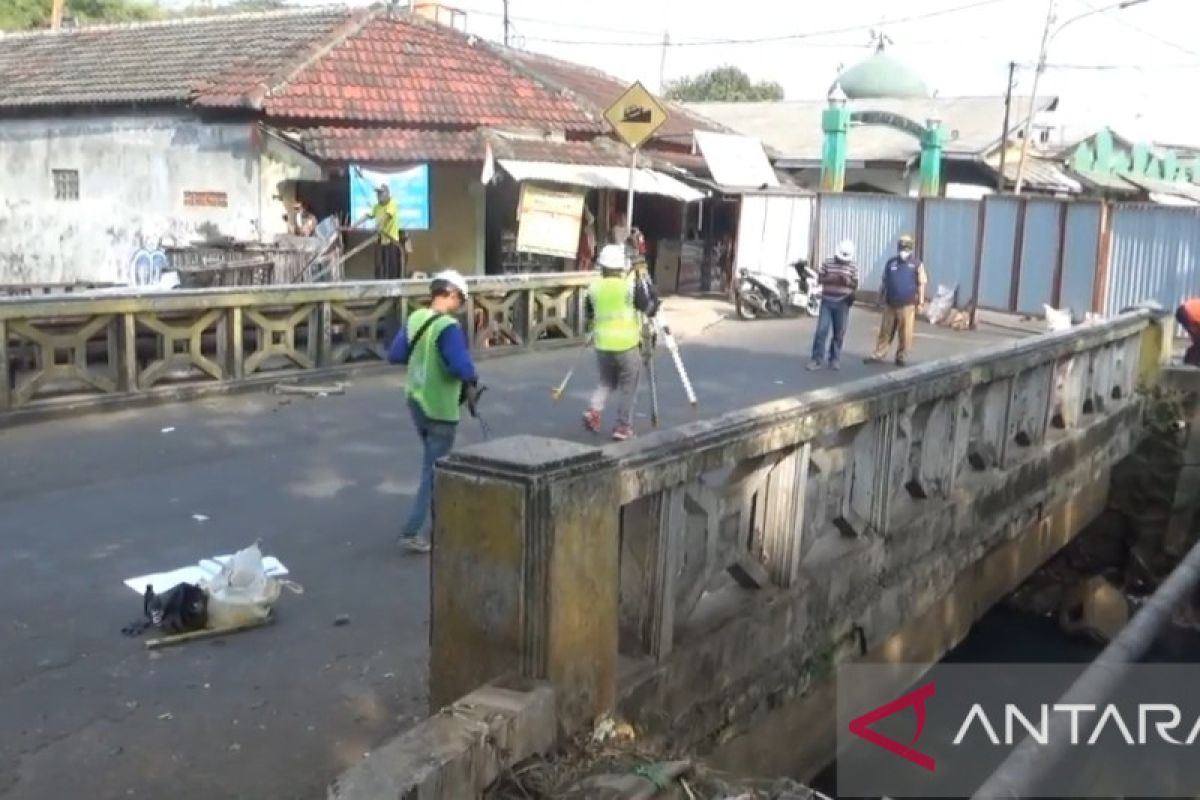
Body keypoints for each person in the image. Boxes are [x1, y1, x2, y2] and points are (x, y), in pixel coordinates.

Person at [387, 270, 481, 553]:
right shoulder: (448, 328)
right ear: (451, 294)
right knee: (434, 469)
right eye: (461, 300)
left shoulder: (416, 318)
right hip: (440, 407)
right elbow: (461, 367)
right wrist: (473, 380)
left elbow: (395, 354)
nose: (461, 306)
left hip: (416, 400)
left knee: (433, 461)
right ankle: (412, 530)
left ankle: (442, 518)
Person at [583, 244, 658, 441]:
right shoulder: (629, 288)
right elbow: (649, 309)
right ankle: (623, 426)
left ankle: (593, 411)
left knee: (607, 381)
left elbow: (589, 316)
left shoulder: (593, 289)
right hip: (626, 346)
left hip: (602, 346)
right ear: (621, 267)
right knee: (628, 387)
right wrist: (653, 295)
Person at [865, 233, 928, 367]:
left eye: (906, 247)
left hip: (907, 305)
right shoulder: (891, 263)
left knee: (905, 334)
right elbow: (884, 281)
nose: (903, 250)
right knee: (885, 331)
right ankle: (878, 354)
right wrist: (879, 297)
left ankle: (901, 357)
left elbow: (921, 284)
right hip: (890, 304)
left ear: (911, 248)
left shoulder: (917, 264)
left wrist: (921, 303)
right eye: (901, 246)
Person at [807, 239, 859, 371]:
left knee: (839, 332)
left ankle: (834, 359)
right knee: (821, 331)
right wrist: (831, 279)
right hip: (827, 300)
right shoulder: (828, 262)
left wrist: (846, 281)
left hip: (843, 302)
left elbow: (855, 284)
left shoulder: (853, 266)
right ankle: (816, 359)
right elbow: (819, 278)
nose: (843, 261)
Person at [355, 184, 405, 280]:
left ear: (387, 193)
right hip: (382, 241)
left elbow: (386, 217)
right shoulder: (377, 206)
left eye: (381, 193)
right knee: (381, 266)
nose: (378, 195)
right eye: (377, 193)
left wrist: (377, 226)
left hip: (392, 240)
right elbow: (368, 216)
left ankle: (393, 290)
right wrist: (354, 225)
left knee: (392, 268)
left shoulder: (392, 203)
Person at [1177, 298, 1200, 366]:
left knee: (1198, 342)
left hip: (1185, 310)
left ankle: (1190, 362)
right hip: (1186, 313)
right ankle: (1190, 364)